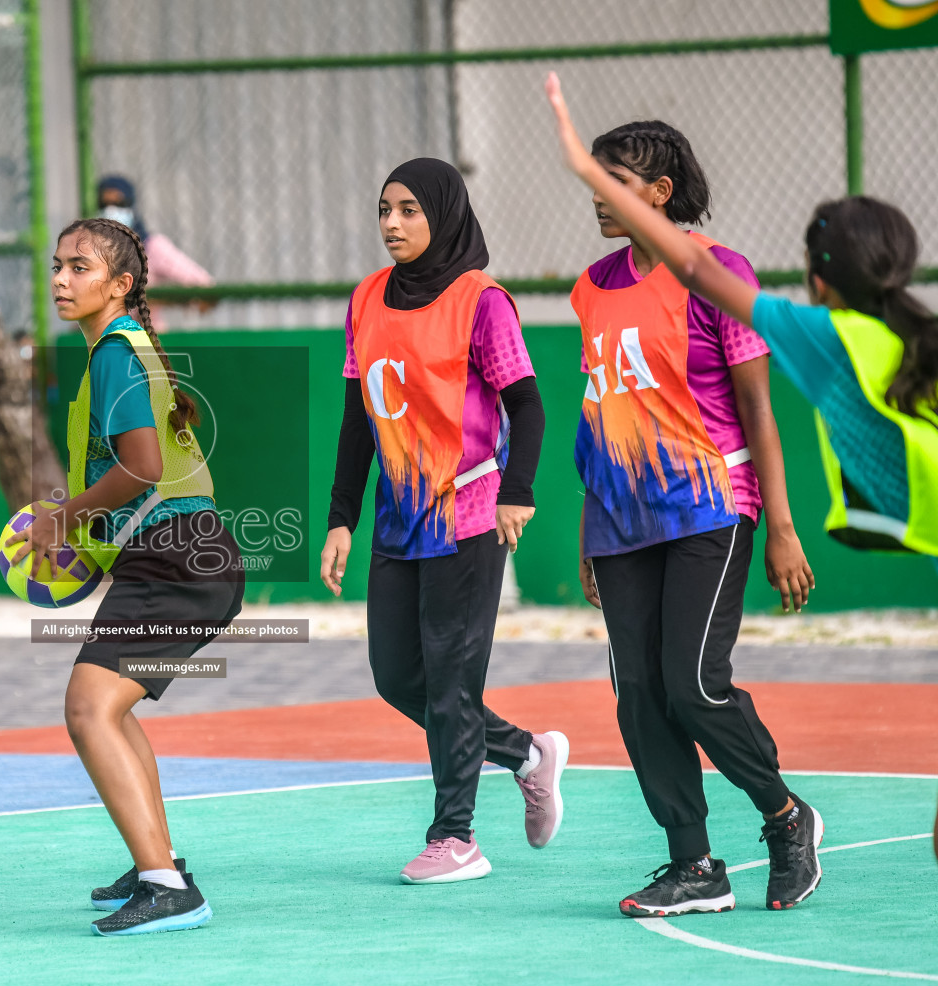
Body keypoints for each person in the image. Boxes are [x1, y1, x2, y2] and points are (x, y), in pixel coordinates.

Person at [545, 80, 830, 917]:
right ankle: (694, 867)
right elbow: (602, 410)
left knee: (693, 685)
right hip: (621, 519)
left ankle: (784, 815)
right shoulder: (592, 287)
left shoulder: (718, 275)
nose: (598, 198)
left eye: (616, 183)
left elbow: (759, 412)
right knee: (638, 695)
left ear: (660, 193)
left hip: (710, 504)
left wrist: (780, 528)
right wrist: (594, 532)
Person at [320, 158, 570, 885]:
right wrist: (342, 518)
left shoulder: (480, 300)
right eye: (384, 210)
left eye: (409, 211)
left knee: (453, 680)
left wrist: (515, 492)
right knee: (400, 677)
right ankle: (528, 755)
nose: (392, 224)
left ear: (444, 215)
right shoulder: (367, 298)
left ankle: (455, 836)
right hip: (399, 519)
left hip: (467, 513)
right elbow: (356, 419)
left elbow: (527, 402)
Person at [11, 217, 245, 936]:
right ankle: (160, 861)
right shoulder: (120, 350)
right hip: (180, 554)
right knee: (109, 707)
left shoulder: (114, 351)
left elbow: (142, 466)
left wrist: (67, 516)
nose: (60, 279)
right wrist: (87, 527)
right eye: (57, 265)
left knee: (87, 708)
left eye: (79, 268)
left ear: (118, 286)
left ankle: (168, 886)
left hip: (179, 556)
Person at [97, 175, 217, 300]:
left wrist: (155, 297)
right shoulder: (90, 249)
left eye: (120, 204)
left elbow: (203, 284)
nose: (110, 210)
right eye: (104, 204)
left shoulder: (151, 247)